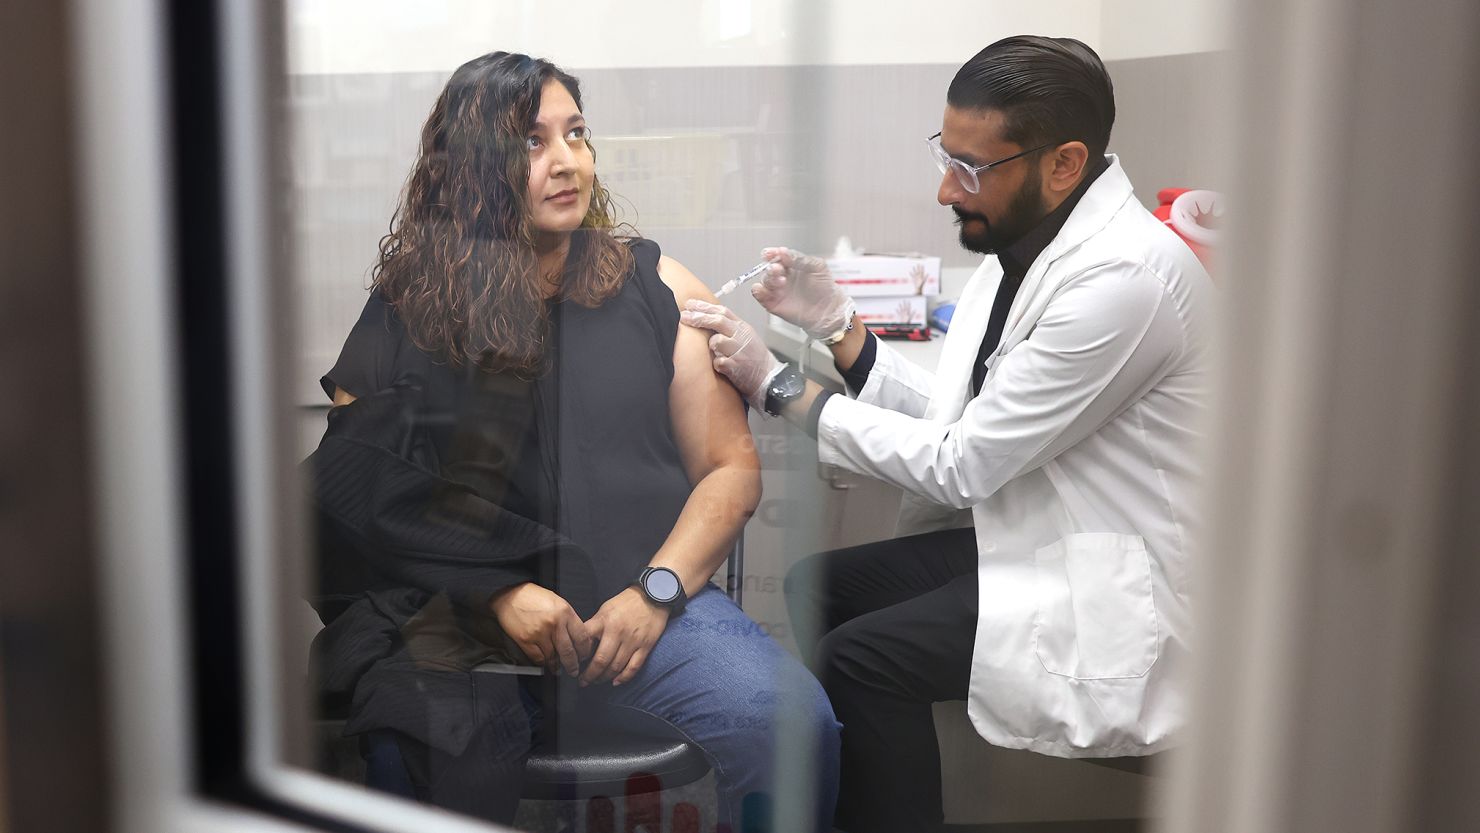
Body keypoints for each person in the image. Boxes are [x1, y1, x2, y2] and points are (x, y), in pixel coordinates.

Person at [681, 35, 1213, 832]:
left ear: (1063, 163)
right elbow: (963, 417)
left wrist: (781, 387)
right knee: (820, 586)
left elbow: (962, 464)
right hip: (1045, 536)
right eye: (947, 155)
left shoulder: (1123, 280)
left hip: (1119, 579)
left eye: (970, 168)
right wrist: (842, 329)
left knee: (862, 661)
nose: (944, 190)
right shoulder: (1028, 244)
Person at [310, 51, 839, 830]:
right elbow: (353, 489)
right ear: (475, 168)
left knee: (795, 724)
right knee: (406, 749)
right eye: (532, 141)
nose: (569, 162)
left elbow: (729, 471)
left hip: (647, 607)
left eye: (578, 133)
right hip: (465, 617)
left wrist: (654, 593)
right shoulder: (409, 306)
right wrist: (496, 589)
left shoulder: (654, 286)